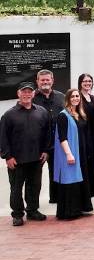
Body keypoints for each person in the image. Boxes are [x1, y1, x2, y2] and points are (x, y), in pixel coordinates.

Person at [1, 81, 53, 225]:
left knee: (34, 186)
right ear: (18, 93)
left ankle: (32, 210)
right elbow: (3, 138)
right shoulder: (9, 115)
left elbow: (47, 134)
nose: (27, 94)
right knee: (16, 189)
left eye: (30, 92)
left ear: (34, 93)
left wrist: (46, 151)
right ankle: (17, 214)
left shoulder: (41, 112)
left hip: (37, 158)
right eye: (24, 92)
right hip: (17, 160)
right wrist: (7, 156)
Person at [53, 89, 92, 220]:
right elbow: (62, 137)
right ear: (68, 99)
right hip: (70, 152)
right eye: (73, 96)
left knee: (80, 179)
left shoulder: (80, 114)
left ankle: (80, 208)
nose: (75, 98)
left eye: (77, 96)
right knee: (70, 180)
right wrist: (68, 154)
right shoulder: (63, 116)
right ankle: (69, 211)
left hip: (80, 151)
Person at [34, 69, 65, 204]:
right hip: (38, 145)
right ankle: (33, 205)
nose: (45, 82)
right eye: (42, 80)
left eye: (48, 80)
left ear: (52, 81)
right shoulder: (32, 98)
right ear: (37, 82)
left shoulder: (61, 97)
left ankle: (57, 198)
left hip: (57, 142)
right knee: (35, 176)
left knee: (57, 171)